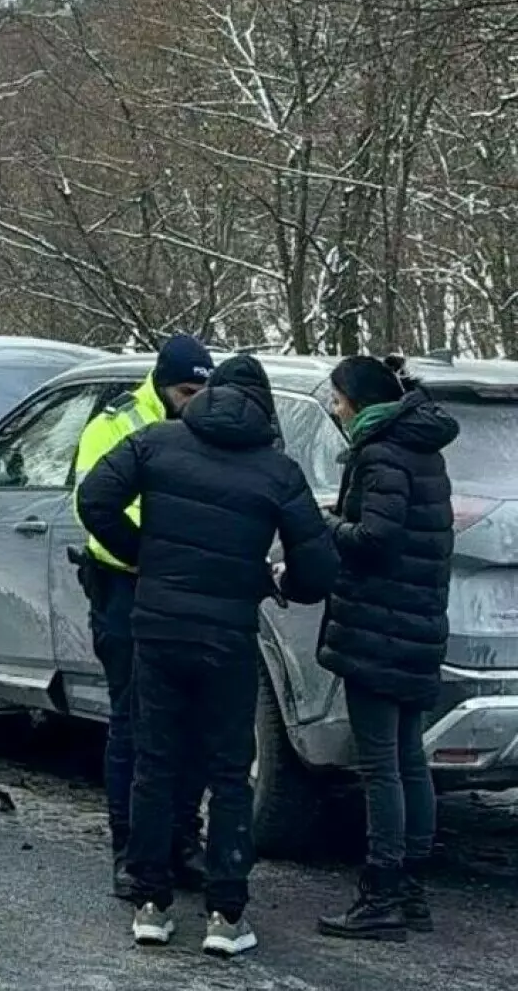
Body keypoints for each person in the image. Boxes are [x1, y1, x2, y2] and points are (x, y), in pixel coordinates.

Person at [78, 354, 337, 957]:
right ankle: (226, 913)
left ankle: (150, 903)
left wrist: (143, 554)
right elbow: (319, 568)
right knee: (228, 774)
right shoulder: (278, 471)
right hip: (228, 637)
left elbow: (93, 500)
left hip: (157, 628)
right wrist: (280, 584)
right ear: (264, 409)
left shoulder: (156, 441)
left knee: (154, 762)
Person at [315, 356, 456, 942]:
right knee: (407, 760)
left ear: (361, 403)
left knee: (381, 765)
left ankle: (381, 894)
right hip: (419, 624)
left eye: (339, 400)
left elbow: (374, 538)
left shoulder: (378, 454)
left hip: (377, 627)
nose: (334, 410)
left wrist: (327, 525)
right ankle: (413, 892)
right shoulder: (425, 448)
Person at [70, 335, 215, 901]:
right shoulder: (118, 422)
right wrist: (155, 553)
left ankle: (182, 839)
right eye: (186, 389)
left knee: (194, 726)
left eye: (204, 389)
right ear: (162, 383)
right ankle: (130, 851)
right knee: (134, 723)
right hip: (127, 584)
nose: (195, 399)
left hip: (185, 589)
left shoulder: (212, 424)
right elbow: (98, 504)